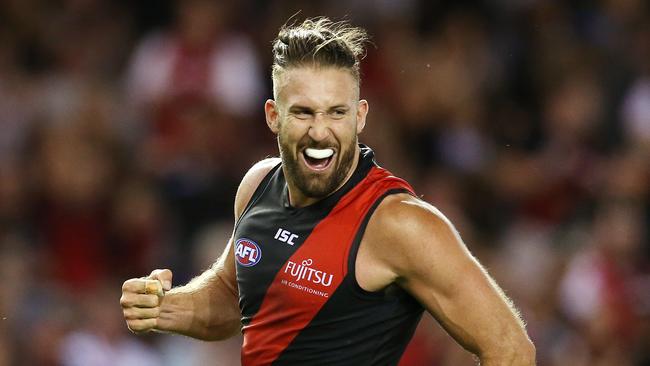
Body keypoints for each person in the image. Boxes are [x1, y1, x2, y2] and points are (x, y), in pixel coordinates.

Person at [120, 17, 536, 365]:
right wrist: (165, 307)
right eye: (302, 112)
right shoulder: (258, 186)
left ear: (360, 116)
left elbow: (511, 349)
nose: (320, 132)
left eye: (336, 113)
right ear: (272, 116)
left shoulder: (399, 223)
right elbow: (232, 298)